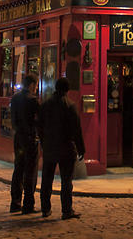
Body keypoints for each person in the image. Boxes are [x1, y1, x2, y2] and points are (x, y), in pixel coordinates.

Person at [38, 77, 85, 220]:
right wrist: (81, 148)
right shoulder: (70, 105)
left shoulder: (45, 104)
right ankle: (66, 210)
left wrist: (43, 142)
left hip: (49, 147)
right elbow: (76, 129)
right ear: (67, 90)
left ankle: (45, 209)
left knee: (47, 179)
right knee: (66, 181)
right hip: (66, 148)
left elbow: (39, 126)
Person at [10, 74, 40, 214]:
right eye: (36, 85)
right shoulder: (33, 100)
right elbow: (39, 120)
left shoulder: (15, 98)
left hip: (18, 138)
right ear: (32, 85)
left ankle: (15, 203)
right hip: (30, 138)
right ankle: (28, 204)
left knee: (18, 169)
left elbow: (13, 118)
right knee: (30, 171)